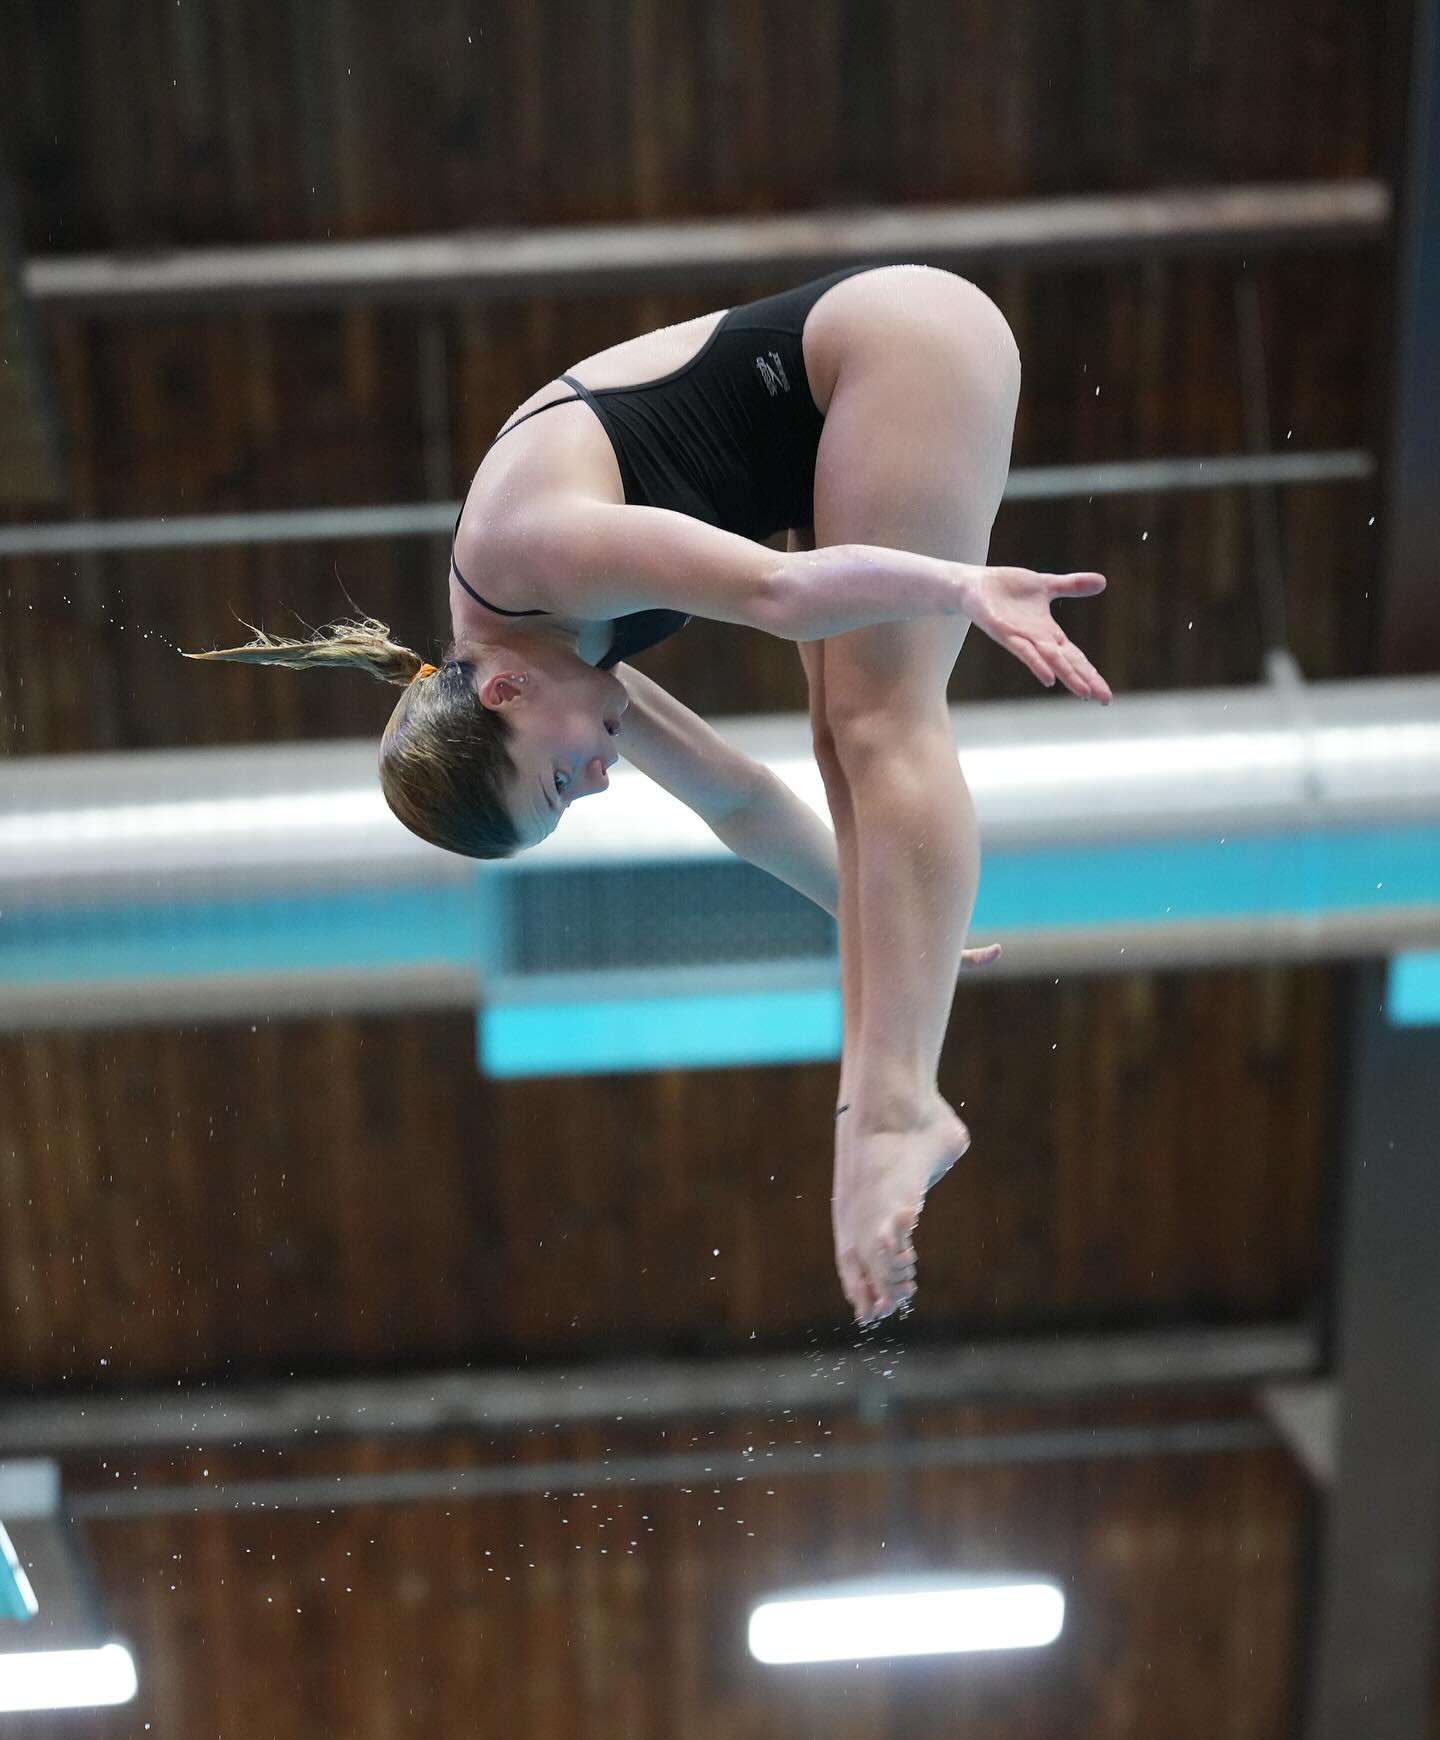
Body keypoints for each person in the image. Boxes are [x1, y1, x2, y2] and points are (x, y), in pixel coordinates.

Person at [190, 264, 1110, 1327]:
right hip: (834, 425)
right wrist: (894, 923)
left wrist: (960, 586)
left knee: (877, 717)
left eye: (557, 779)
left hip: (898, 349)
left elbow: (777, 593)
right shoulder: (544, 649)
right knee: (836, 740)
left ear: (502, 691)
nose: (597, 778)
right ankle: (878, 1105)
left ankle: (894, 1108)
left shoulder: (524, 549)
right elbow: (737, 798)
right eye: (573, 800)